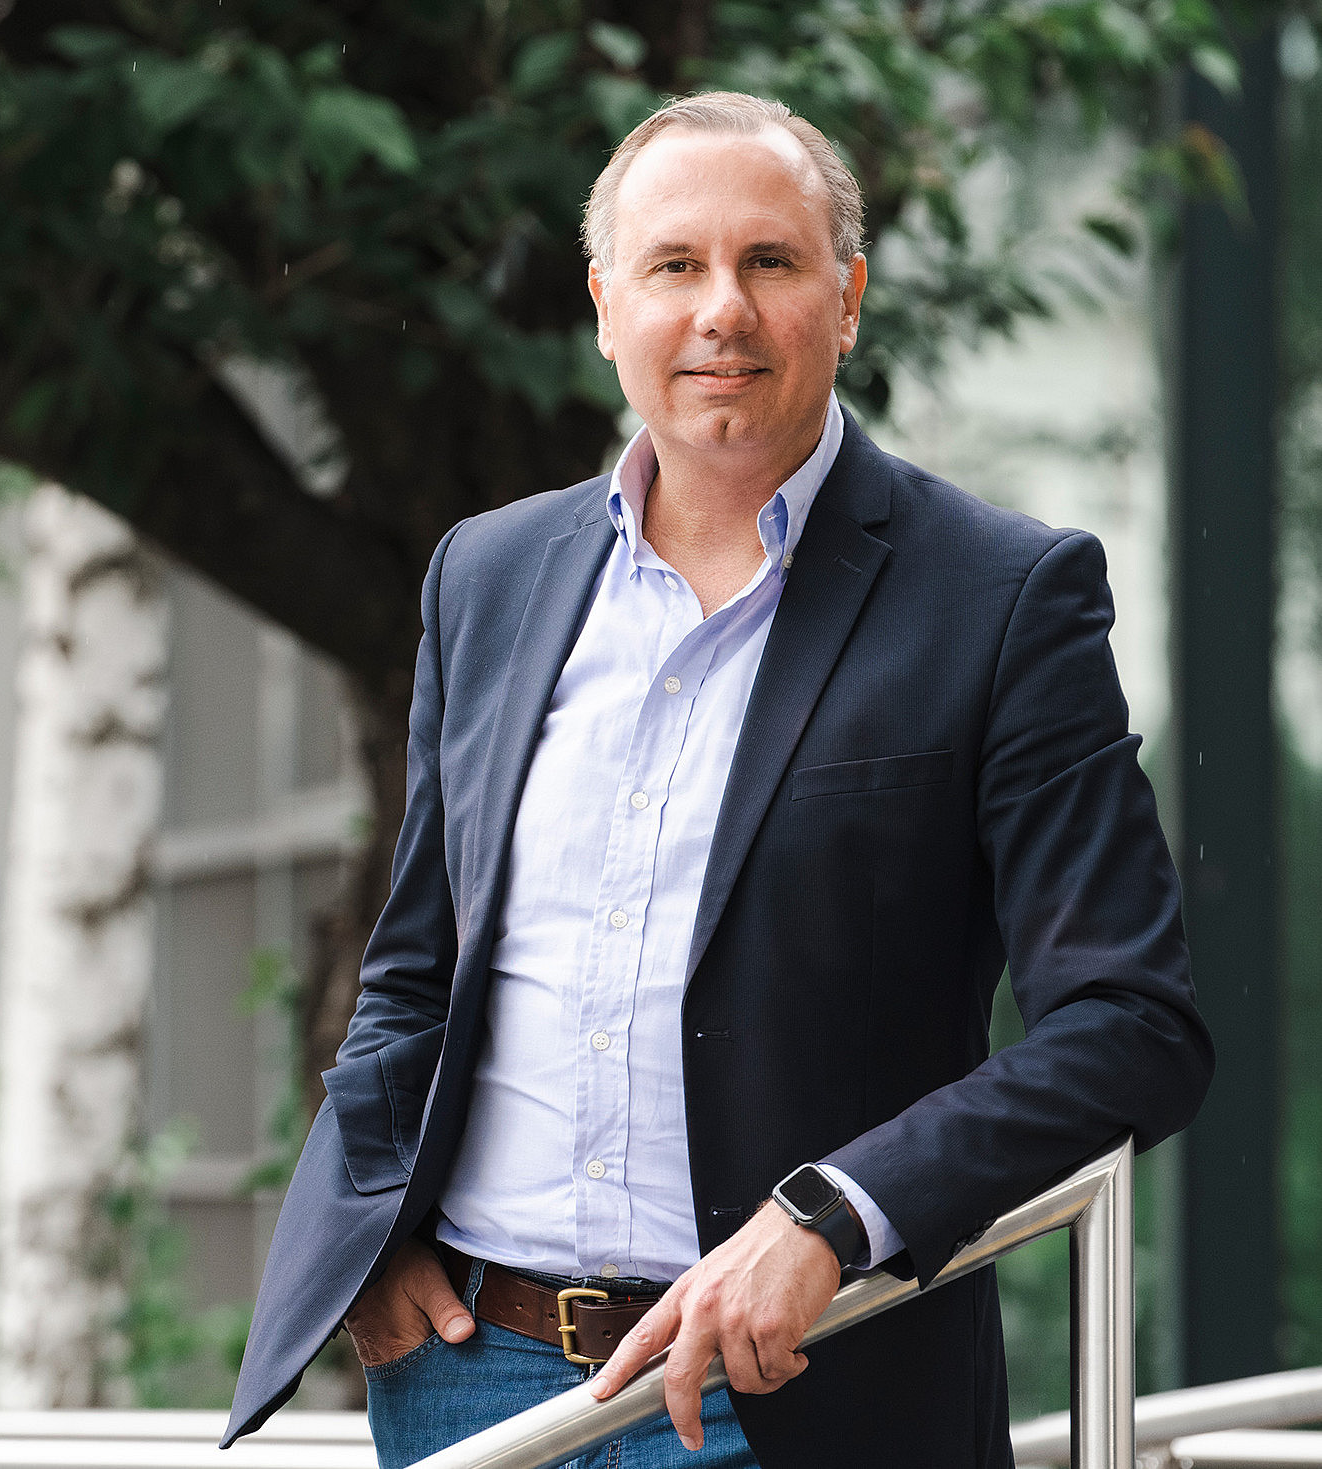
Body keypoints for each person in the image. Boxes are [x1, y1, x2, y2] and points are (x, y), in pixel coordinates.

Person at [219, 91, 1212, 1469]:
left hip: (803, 1389)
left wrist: (830, 1214)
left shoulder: (998, 597)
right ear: (603, 303)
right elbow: (418, 971)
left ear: (847, 297)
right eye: (673, 265)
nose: (720, 311)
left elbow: (1127, 1026)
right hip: (465, 1381)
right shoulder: (488, 575)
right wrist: (361, 1234)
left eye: (771, 262)